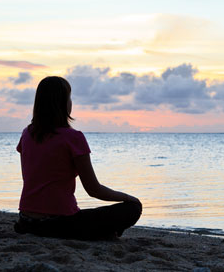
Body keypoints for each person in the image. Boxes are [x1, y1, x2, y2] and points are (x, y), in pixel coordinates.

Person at [14, 76, 141, 240]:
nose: (71, 101)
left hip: (26, 221)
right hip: (60, 223)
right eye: (69, 97)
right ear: (62, 103)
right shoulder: (73, 138)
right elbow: (93, 189)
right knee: (133, 209)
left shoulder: (27, 134)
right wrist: (129, 198)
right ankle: (105, 234)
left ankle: (105, 233)